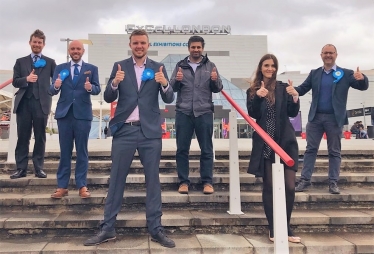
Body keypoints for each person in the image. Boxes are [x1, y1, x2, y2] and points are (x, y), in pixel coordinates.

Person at [84, 29, 175, 248]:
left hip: (150, 132)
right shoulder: (120, 66)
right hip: (125, 130)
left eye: (143, 42)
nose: (139, 46)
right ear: (130, 44)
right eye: (135, 42)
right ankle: (107, 228)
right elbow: (107, 96)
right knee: (116, 180)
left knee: (153, 181)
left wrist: (164, 83)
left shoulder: (157, 68)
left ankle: (156, 229)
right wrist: (114, 82)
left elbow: (169, 97)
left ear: (148, 44)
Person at [294, 44, 369, 194]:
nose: (328, 55)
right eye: (325, 53)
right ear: (321, 55)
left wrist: (363, 79)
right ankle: (304, 180)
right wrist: (292, 90)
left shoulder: (345, 74)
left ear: (336, 55)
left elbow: (363, 87)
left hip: (334, 119)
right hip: (315, 118)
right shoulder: (314, 73)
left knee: (334, 151)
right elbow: (302, 89)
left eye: (331, 53)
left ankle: (333, 182)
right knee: (310, 150)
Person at [247, 54, 301, 243]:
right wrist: (258, 98)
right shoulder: (253, 89)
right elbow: (252, 113)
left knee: (289, 186)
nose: (270, 68)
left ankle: (285, 226)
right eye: (266, 65)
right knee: (269, 186)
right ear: (261, 67)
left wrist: (295, 97)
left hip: (285, 142)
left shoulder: (283, 88)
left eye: (272, 66)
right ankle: (273, 227)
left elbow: (293, 113)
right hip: (265, 143)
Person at [170, 35, 223, 195]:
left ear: (203, 48)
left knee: (207, 149)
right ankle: (183, 182)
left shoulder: (210, 65)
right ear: (188, 48)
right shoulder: (180, 66)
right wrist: (177, 80)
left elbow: (218, 88)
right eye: (193, 47)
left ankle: (207, 182)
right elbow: (171, 87)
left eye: (198, 47)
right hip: (183, 112)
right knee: (182, 150)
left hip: (204, 112)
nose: (196, 50)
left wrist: (214, 80)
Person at [49, 40, 100, 199]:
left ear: (83, 51)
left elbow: (98, 89)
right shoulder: (60, 68)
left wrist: (90, 88)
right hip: (64, 115)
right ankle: (62, 186)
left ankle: (82, 186)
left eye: (78, 48)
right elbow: (51, 90)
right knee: (65, 152)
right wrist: (56, 85)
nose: (75, 51)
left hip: (82, 115)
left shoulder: (91, 69)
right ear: (69, 51)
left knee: (82, 151)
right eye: (73, 49)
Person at [10, 29, 56, 179]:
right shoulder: (20, 61)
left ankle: (39, 168)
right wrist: (26, 79)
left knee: (40, 136)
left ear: (44, 44)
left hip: (41, 103)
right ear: (30, 43)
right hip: (24, 103)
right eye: (34, 42)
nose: (37, 44)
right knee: (23, 137)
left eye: (39, 42)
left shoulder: (50, 62)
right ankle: (21, 168)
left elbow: (56, 82)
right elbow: (16, 81)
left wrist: (53, 89)